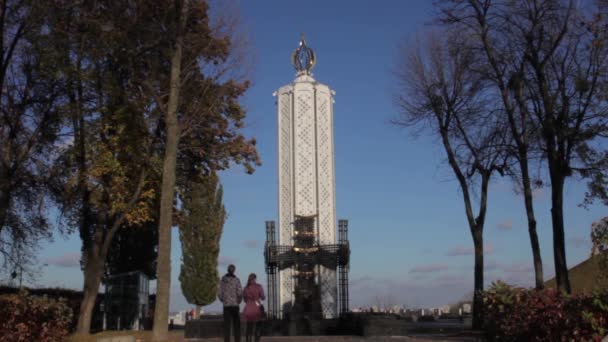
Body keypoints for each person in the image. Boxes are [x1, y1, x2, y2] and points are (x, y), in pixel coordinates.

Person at [218, 264, 242, 342]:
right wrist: (239, 300)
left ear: (227, 270)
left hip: (226, 305)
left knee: (227, 326)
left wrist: (223, 299)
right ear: (234, 270)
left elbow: (219, 291)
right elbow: (239, 292)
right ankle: (237, 340)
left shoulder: (223, 280)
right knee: (236, 326)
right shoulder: (237, 280)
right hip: (235, 305)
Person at [242, 273, 265, 342]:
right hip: (257, 309)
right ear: (255, 279)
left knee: (249, 328)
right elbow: (263, 297)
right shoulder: (259, 286)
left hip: (248, 309)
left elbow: (245, 299)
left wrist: (249, 302)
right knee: (258, 327)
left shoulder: (246, 288)